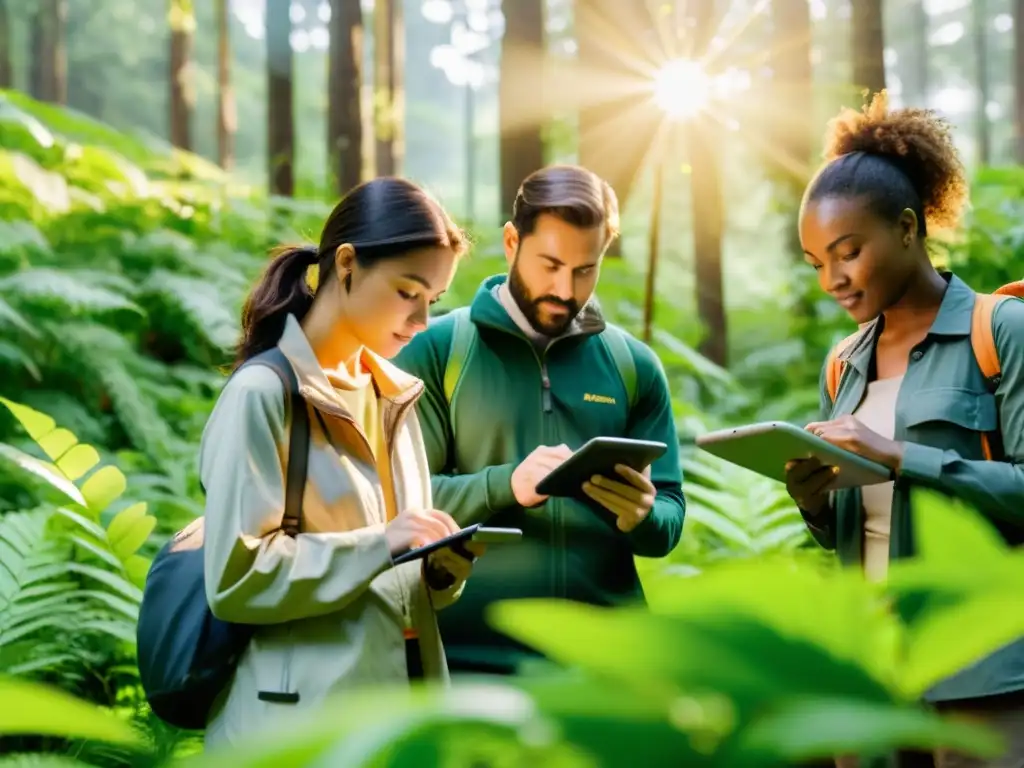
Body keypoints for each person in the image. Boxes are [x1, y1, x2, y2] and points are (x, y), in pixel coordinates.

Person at [199, 177, 484, 748]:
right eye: (408, 292)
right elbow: (236, 579)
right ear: (347, 264)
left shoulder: (395, 395)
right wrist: (383, 542)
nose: (423, 320)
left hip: (400, 719)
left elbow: (402, 571)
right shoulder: (264, 394)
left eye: (433, 301)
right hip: (295, 730)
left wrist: (440, 565)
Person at [788, 92, 1024, 767]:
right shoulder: (843, 365)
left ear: (909, 228)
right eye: (816, 263)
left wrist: (902, 457)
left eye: (848, 251)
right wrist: (813, 499)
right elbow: (855, 530)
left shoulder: (1000, 331)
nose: (832, 279)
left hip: (985, 670)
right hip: (873, 674)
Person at [394, 164, 685, 676]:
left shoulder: (633, 365)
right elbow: (401, 505)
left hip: (605, 669)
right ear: (511, 242)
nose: (564, 290)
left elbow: (668, 521)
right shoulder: (435, 352)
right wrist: (507, 483)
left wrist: (643, 515)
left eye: (584, 269)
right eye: (548, 264)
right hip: (465, 664)